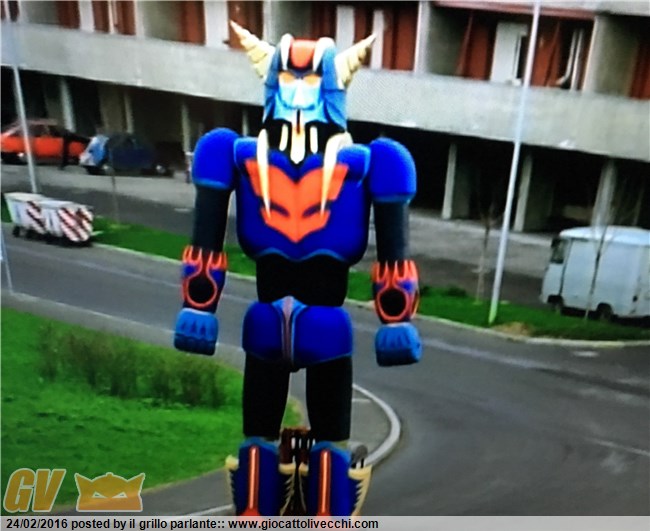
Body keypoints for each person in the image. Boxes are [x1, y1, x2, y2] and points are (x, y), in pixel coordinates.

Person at [174, 22, 421, 517]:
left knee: (277, 436)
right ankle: (286, 508)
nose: (299, 91)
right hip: (297, 324)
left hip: (288, 323)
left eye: (309, 80)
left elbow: (394, 257)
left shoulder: (361, 164)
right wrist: (198, 307)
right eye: (290, 78)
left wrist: (396, 319)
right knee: (293, 438)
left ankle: (283, 508)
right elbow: (205, 240)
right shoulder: (243, 156)